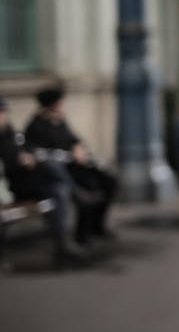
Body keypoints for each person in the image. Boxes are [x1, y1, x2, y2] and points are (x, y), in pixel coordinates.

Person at [0, 97, 90, 263]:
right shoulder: (35, 125)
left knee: (59, 190)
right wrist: (20, 159)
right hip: (16, 185)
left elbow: (27, 148)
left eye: (4, 112)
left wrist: (28, 156)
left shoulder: (10, 133)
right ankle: (77, 194)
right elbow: (11, 160)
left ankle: (62, 245)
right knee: (51, 165)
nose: (3, 116)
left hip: (31, 179)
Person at [25, 87, 119, 243]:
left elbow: (74, 139)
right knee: (89, 187)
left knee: (110, 181)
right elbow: (42, 155)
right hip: (62, 170)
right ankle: (83, 235)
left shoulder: (61, 121)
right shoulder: (36, 126)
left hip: (77, 165)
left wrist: (79, 148)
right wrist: (70, 154)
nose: (62, 106)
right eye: (59, 103)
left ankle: (97, 226)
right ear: (51, 105)